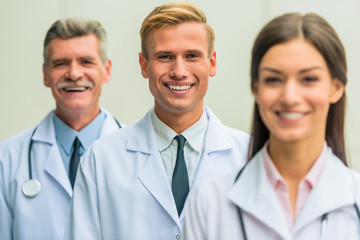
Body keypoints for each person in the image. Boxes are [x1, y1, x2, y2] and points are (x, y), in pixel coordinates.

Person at [63, 2, 249, 240]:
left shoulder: (249, 157)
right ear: (144, 65)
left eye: (192, 55)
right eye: (165, 56)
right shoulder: (102, 159)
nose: (179, 71)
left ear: (211, 63)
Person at [183, 12, 360, 240]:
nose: (289, 97)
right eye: (273, 80)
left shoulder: (354, 198)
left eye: (308, 79)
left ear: (336, 88)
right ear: (255, 89)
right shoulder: (209, 202)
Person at [0, 17, 123, 240]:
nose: (74, 74)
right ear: (46, 74)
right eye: (60, 63)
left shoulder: (144, 153)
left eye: (86, 61)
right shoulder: (6, 159)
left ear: (107, 70)